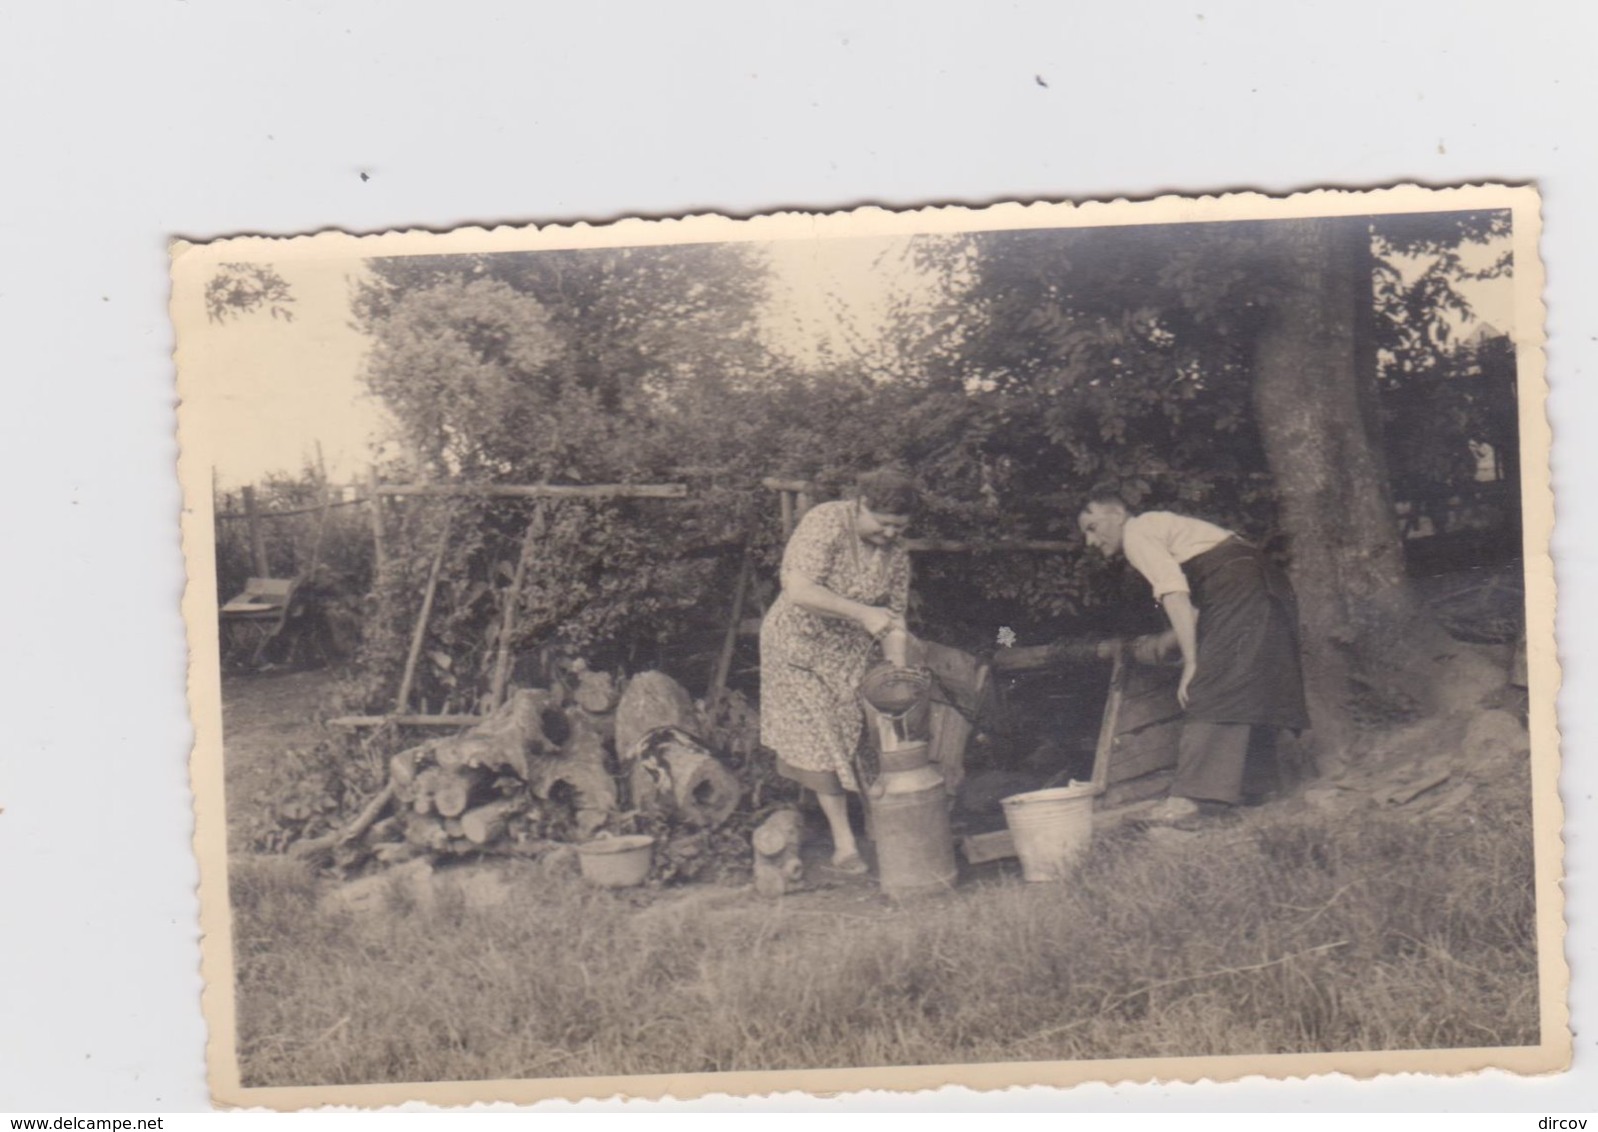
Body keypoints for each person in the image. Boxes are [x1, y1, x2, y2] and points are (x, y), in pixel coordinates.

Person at [1077, 485, 1309, 823]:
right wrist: (1170, 642)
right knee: (1247, 681)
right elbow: (1198, 610)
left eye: (1092, 527)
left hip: (1240, 588)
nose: (1090, 542)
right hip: (1263, 581)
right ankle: (1257, 787)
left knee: (1209, 684)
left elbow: (1174, 593)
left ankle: (1195, 800)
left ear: (1115, 514)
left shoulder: (1136, 533)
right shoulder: (1164, 528)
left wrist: (1192, 661)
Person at [760, 468, 917, 872]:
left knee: (864, 736)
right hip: (798, 647)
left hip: (848, 657)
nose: (890, 534)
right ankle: (844, 844)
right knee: (821, 738)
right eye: (883, 524)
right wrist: (863, 613)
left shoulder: (897, 554)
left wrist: (898, 680)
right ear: (862, 505)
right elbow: (799, 589)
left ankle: (881, 826)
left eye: (899, 527)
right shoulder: (827, 522)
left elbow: (894, 619)